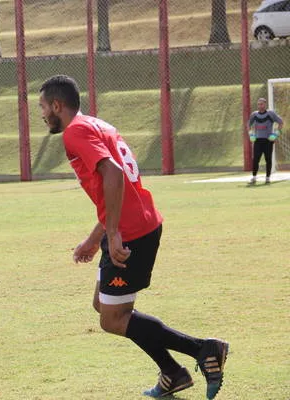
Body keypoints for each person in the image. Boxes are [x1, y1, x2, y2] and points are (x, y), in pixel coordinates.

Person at [38, 75, 228, 399]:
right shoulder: (98, 125)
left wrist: (112, 235)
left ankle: (203, 350)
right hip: (137, 225)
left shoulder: (74, 133)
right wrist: (95, 237)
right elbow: (113, 188)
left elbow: (113, 174)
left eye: (42, 107)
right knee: (103, 305)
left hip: (131, 234)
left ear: (57, 105)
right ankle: (173, 374)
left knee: (113, 319)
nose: (41, 114)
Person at [247, 98, 284, 185]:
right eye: (259, 104)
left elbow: (281, 122)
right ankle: (254, 177)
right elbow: (248, 124)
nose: (260, 106)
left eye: (262, 104)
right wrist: (251, 134)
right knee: (256, 159)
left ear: (265, 104)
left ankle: (267, 178)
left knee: (268, 159)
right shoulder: (254, 114)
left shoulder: (271, 114)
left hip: (268, 141)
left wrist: (275, 134)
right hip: (258, 141)